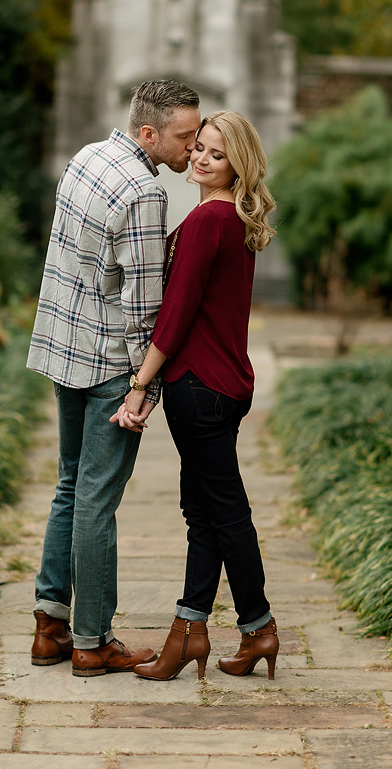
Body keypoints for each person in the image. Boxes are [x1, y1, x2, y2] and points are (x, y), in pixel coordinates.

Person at [24, 77, 202, 677]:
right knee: (97, 498)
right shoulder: (144, 194)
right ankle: (93, 641)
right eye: (184, 136)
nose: (193, 145)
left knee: (71, 484)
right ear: (149, 133)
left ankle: (51, 625)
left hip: (61, 346)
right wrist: (143, 385)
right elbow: (144, 305)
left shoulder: (86, 158)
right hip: (106, 363)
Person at [120, 109, 281, 683]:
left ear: (237, 164)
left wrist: (140, 385)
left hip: (200, 386)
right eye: (199, 149)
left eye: (216, 153)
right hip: (223, 383)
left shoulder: (211, 219)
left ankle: (256, 625)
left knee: (223, 513)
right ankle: (189, 631)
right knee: (206, 514)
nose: (200, 158)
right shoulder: (232, 216)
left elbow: (177, 313)